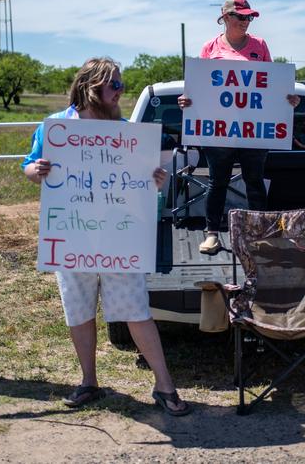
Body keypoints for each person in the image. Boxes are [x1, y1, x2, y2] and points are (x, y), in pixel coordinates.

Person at [21, 57, 191, 416]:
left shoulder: (128, 133)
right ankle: (89, 382)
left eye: (121, 84)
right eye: (114, 84)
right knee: (78, 310)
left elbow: (146, 181)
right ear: (90, 87)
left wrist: (156, 180)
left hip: (120, 239)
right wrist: (35, 169)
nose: (120, 91)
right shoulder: (57, 128)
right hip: (72, 236)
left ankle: (164, 385)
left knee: (136, 310)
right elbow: (29, 166)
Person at [177, 0, 299, 254]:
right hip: (219, 130)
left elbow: (271, 83)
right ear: (225, 17)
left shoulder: (259, 45)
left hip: (254, 130)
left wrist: (287, 98)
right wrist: (187, 100)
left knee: (254, 181)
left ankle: (261, 234)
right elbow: (200, 86)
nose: (246, 21)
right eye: (241, 17)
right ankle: (212, 234)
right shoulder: (210, 48)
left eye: (249, 17)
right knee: (217, 182)